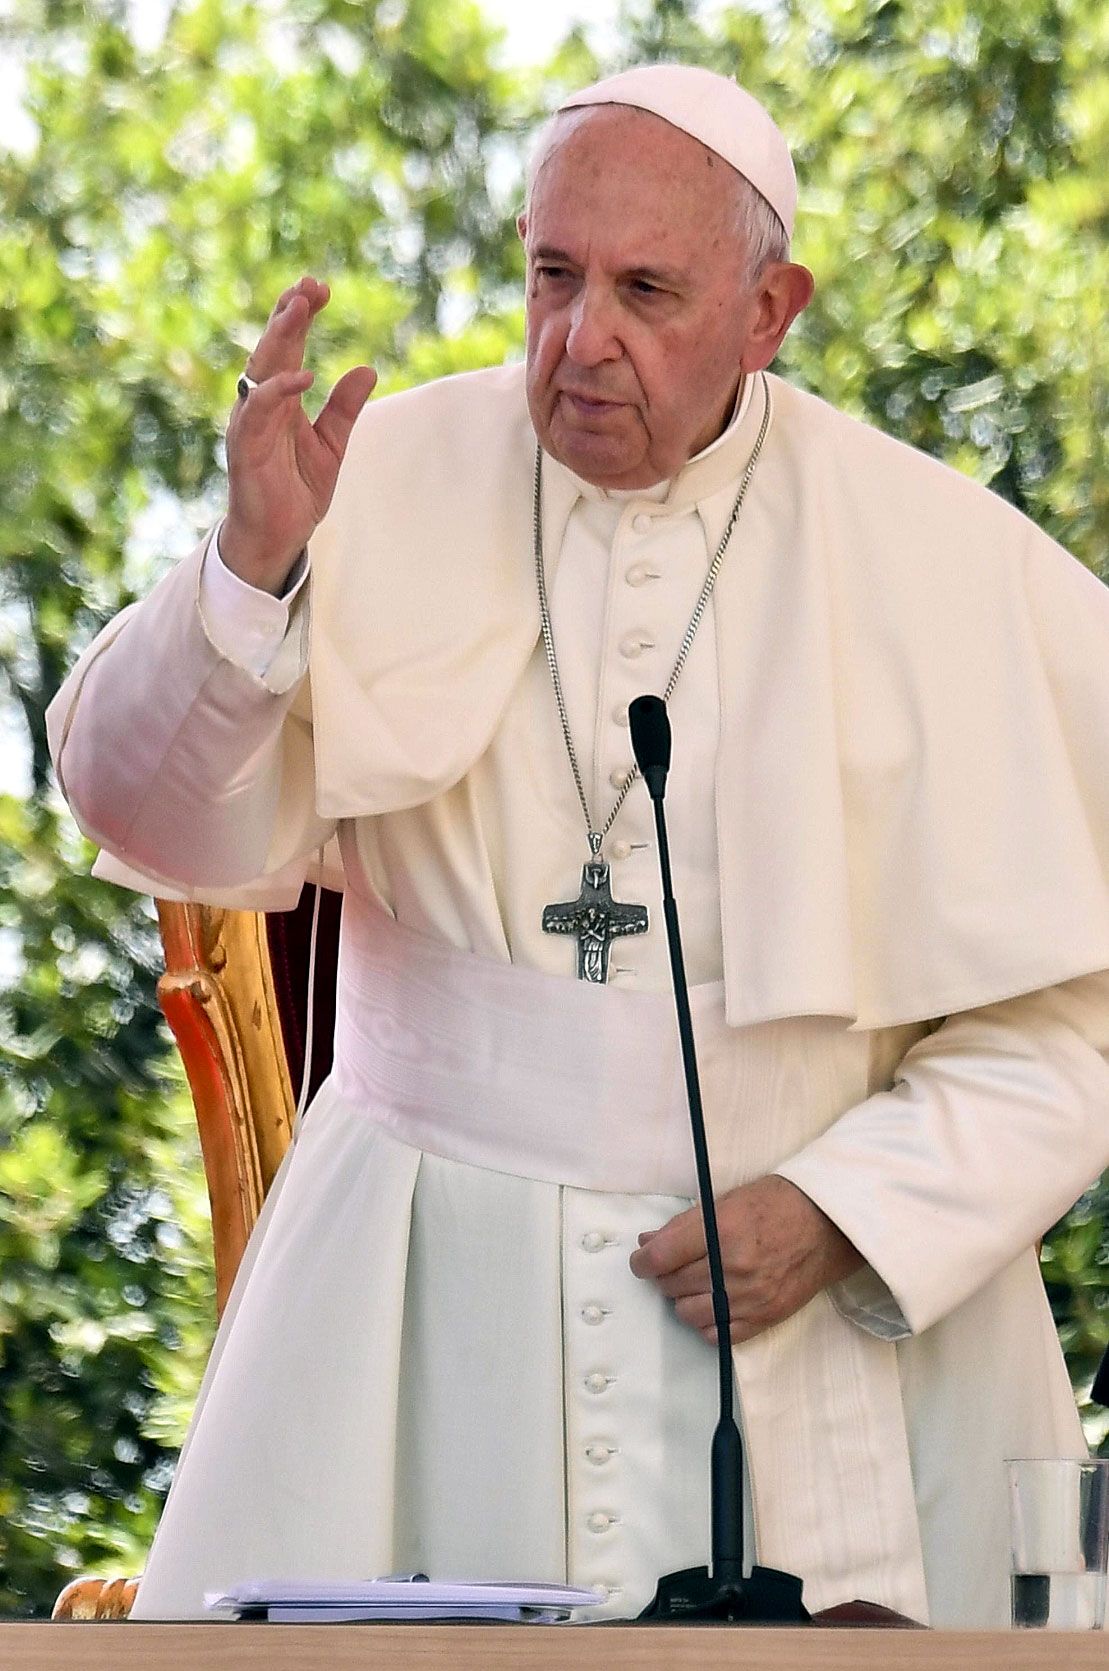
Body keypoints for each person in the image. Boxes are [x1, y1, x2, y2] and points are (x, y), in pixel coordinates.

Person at [47, 63, 1109, 1629]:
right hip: (420, 1300)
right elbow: (146, 822)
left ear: (768, 310)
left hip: (824, 1324)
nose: (578, 337)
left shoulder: (941, 562)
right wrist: (251, 566)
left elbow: (1075, 1017)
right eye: (551, 275)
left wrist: (852, 1210)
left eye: (644, 290)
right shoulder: (366, 481)